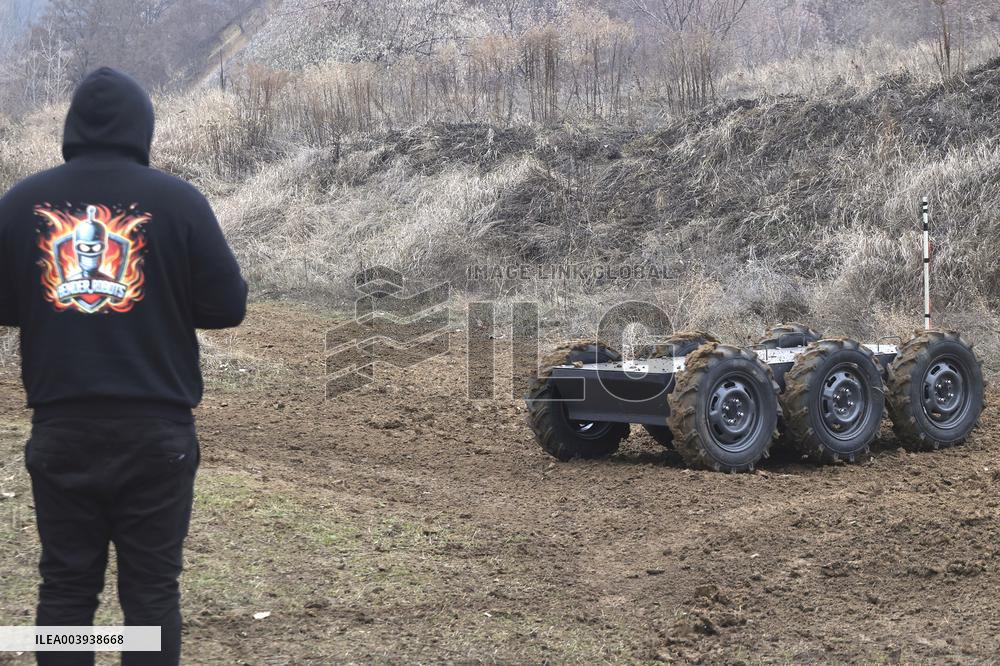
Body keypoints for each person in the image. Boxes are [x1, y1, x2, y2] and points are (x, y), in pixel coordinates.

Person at [0, 67, 248, 665]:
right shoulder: (179, 201)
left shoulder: (21, 202)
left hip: (62, 428)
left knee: (65, 589)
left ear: (71, 126)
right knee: (151, 595)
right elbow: (227, 307)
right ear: (144, 126)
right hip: (156, 432)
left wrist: (51, 299)